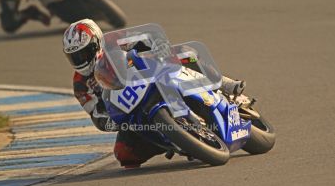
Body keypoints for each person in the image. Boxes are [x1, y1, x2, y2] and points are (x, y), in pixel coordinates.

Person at [62, 19, 246, 168]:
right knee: (124, 155)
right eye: (75, 56)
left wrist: (159, 45)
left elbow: (150, 34)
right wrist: (111, 121)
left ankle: (224, 84)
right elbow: (96, 115)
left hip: (154, 74)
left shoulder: (112, 41)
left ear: (96, 43)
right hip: (132, 110)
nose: (81, 60)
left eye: (84, 53)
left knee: (184, 52)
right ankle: (176, 140)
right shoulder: (80, 84)